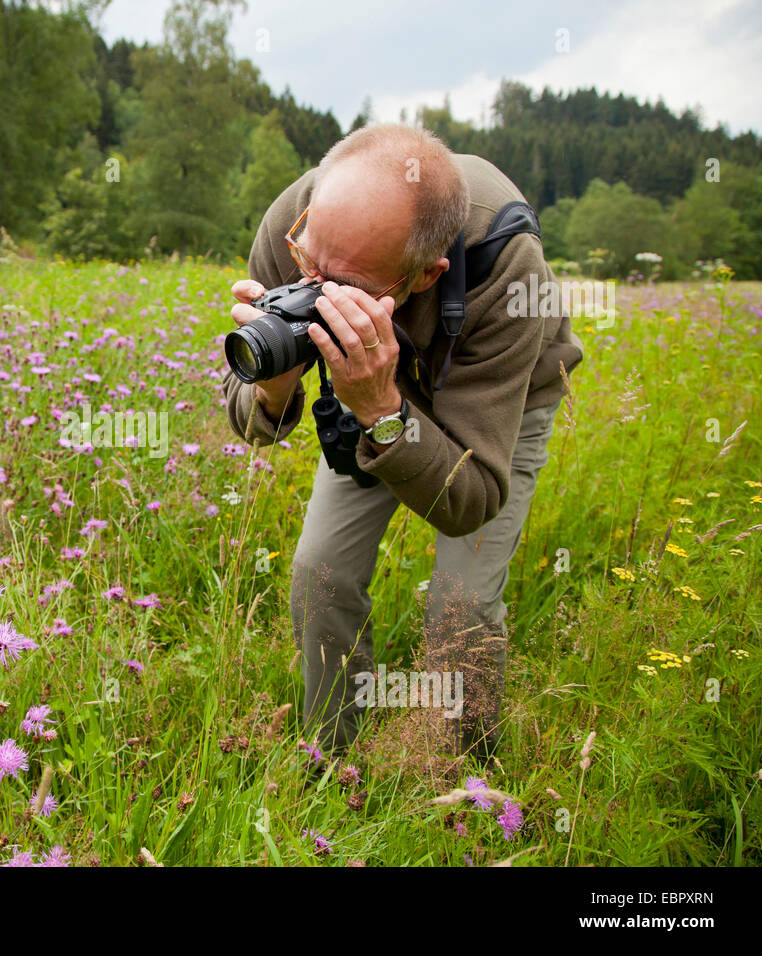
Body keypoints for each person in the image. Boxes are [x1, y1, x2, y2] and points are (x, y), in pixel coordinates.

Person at [222, 123, 584, 758]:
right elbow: (247, 414)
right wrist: (276, 389)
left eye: (350, 288)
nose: (314, 288)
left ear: (424, 277)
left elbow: (469, 500)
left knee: (461, 604)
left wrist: (383, 409)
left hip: (496, 396)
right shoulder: (299, 220)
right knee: (319, 575)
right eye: (309, 264)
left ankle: (466, 784)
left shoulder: (506, 265)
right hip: (367, 389)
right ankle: (331, 763)